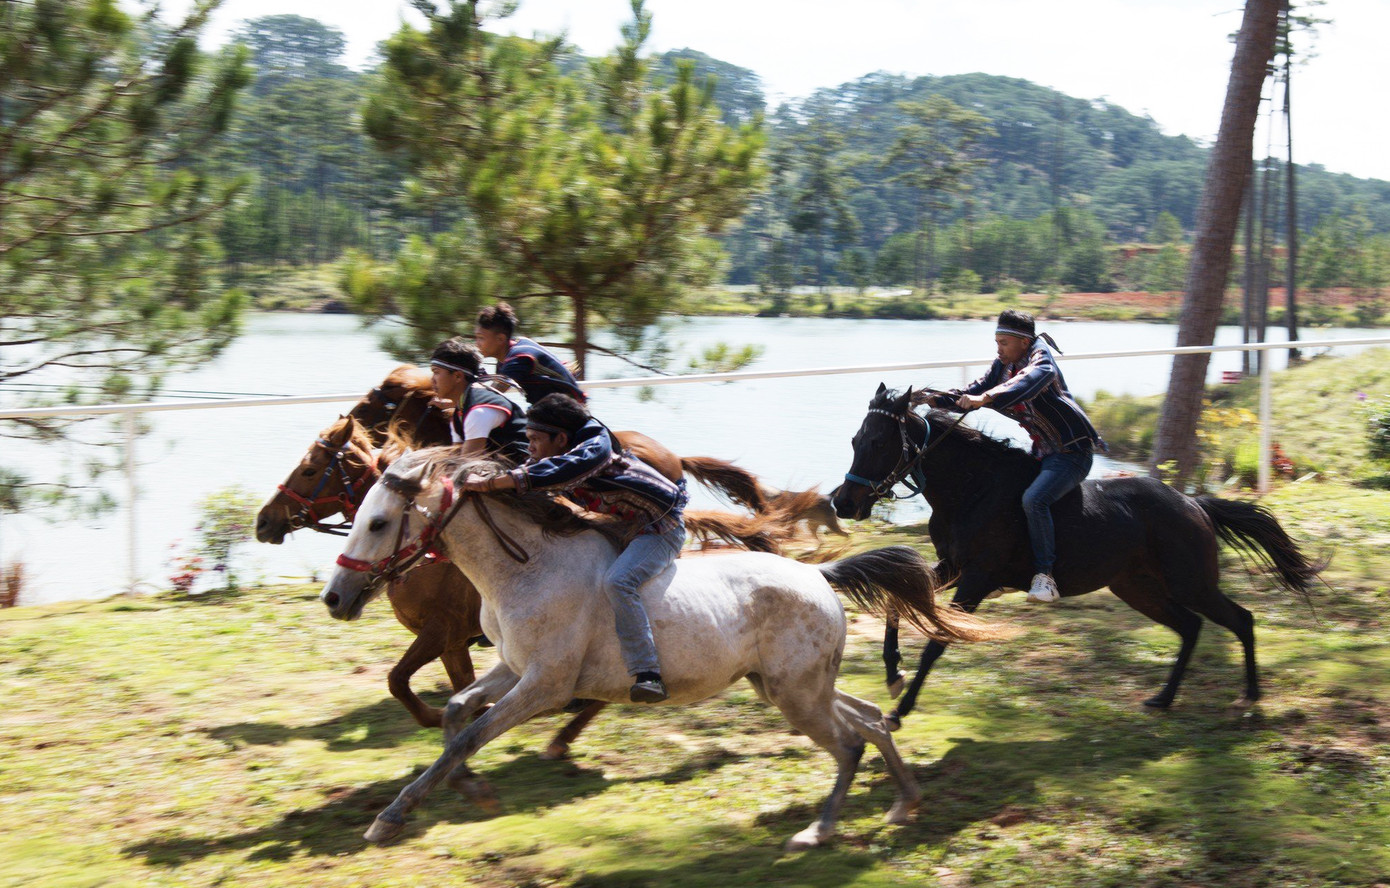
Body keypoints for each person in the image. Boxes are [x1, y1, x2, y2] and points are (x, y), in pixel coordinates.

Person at [460, 393, 687, 704]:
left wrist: (490, 484)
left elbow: (554, 473)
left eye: (535, 439)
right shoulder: (553, 453)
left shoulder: (593, 452)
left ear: (561, 438)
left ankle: (647, 672)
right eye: (528, 439)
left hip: (660, 529)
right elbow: (526, 476)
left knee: (618, 581)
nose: (531, 448)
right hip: (620, 525)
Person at [919, 309, 1104, 603]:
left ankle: (1046, 577)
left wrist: (986, 398)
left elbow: (1027, 381)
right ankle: (997, 574)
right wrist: (935, 398)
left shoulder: (1041, 361)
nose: (998, 348)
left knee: (1034, 499)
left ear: (1023, 341)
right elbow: (973, 390)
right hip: (1041, 453)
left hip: (1071, 454)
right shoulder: (1003, 364)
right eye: (996, 342)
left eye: (1004, 342)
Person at [428, 337, 530, 464]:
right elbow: (455, 456)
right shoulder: (460, 412)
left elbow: (465, 464)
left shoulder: (477, 411)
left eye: (436, 372)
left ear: (458, 376)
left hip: (527, 472)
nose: (432, 380)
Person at [473, 302, 587, 404]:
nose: (477, 343)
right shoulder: (518, 345)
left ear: (500, 339)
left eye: (481, 338)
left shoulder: (517, 359)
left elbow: (491, 396)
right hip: (554, 406)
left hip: (567, 410)